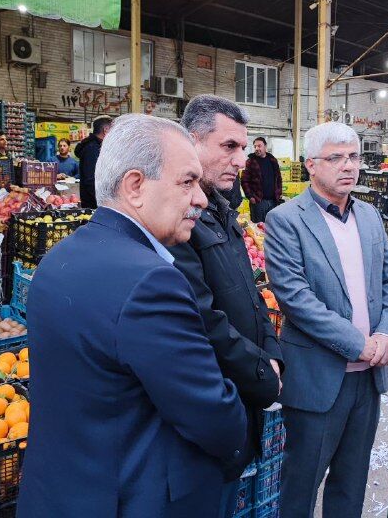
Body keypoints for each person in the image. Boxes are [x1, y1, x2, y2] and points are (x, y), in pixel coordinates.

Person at [18, 115, 247, 518]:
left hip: (63, 491)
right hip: (134, 498)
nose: (201, 198)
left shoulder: (59, 258)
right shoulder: (152, 282)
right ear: (135, 186)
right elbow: (210, 414)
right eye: (187, 182)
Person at [264, 122, 388, 518]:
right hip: (319, 378)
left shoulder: (370, 216)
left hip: (368, 379)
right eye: (336, 158)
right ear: (311, 165)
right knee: (301, 484)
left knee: (351, 483)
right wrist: (359, 344)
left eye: (354, 157)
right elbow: (296, 299)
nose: (349, 166)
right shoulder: (286, 220)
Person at [169, 95, 283, 518]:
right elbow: (204, 320)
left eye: (243, 147)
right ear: (192, 142)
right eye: (229, 146)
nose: (240, 160)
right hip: (210, 411)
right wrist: (263, 374)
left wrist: (273, 352)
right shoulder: (180, 222)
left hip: (239, 402)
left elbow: (253, 297)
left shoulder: (223, 212)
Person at [74, 115, 113, 208]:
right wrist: (104, 203)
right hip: (94, 205)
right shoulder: (92, 148)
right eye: (112, 130)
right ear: (106, 130)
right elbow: (91, 180)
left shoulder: (98, 147)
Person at [243, 137, 282, 223]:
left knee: (272, 225)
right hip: (258, 202)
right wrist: (250, 196)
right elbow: (244, 180)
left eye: (259, 146)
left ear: (265, 146)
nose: (257, 148)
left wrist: (279, 192)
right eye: (255, 146)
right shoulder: (251, 161)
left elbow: (278, 178)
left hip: (273, 201)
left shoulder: (273, 160)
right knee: (258, 227)